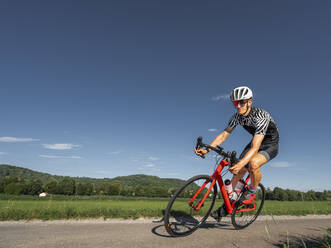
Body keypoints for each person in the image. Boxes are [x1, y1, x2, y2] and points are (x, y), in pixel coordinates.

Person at [194, 86, 279, 221]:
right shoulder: (237, 117)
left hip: (270, 144)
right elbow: (223, 135)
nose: (238, 106)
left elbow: (256, 147)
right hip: (254, 142)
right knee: (236, 173)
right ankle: (227, 207)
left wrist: (242, 164)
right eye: (235, 103)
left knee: (252, 163)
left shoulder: (261, 116)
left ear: (249, 102)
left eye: (241, 102)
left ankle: (251, 191)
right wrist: (207, 149)